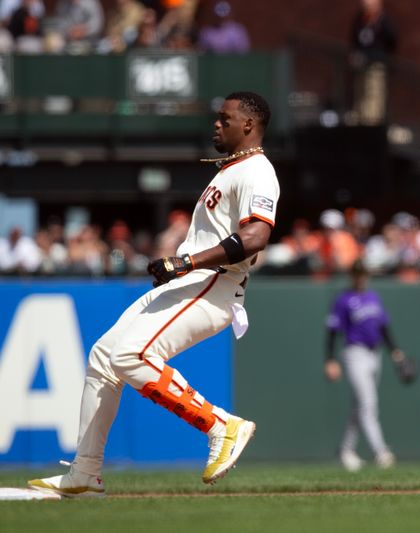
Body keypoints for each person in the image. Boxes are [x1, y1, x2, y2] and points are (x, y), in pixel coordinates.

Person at [28, 91, 279, 498]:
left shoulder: (257, 170)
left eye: (225, 118)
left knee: (131, 355)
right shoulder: (231, 169)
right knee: (105, 357)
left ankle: (221, 426)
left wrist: (186, 262)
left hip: (214, 283)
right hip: (193, 280)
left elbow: (255, 236)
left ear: (248, 125)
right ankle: (85, 472)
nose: (217, 124)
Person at [324, 259, 408, 471]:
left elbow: (384, 327)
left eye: (364, 274)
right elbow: (333, 331)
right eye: (358, 274)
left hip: (375, 354)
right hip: (355, 354)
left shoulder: (373, 297)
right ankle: (381, 452)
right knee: (368, 404)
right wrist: (330, 360)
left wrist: (395, 351)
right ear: (352, 275)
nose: (361, 277)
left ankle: (345, 451)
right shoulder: (343, 300)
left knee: (359, 406)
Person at [349, 0, 397, 125]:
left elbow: (392, 39)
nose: (366, 7)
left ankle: (372, 125)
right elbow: (355, 39)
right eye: (364, 5)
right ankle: (360, 123)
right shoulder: (360, 20)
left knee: (374, 95)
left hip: (376, 64)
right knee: (360, 94)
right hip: (361, 64)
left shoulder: (383, 20)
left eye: (369, 5)